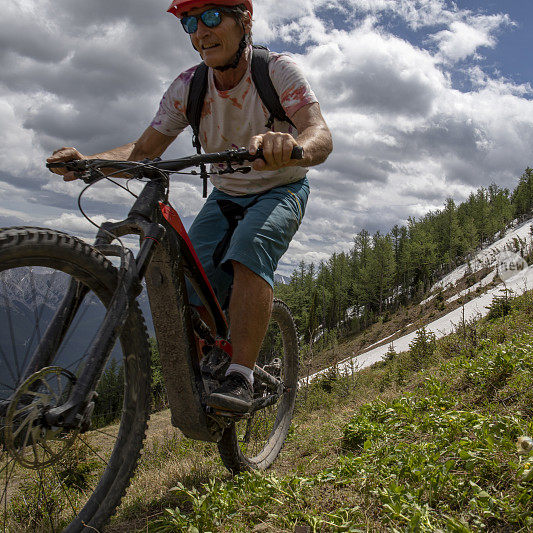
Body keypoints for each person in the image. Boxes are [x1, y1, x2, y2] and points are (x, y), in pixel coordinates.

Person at [47, 0, 332, 413]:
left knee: (250, 249)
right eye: (190, 22)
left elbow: (319, 134)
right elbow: (144, 151)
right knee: (185, 277)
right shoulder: (188, 87)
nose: (201, 31)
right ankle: (207, 362)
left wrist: (292, 147)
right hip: (225, 193)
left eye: (212, 17)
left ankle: (241, 377)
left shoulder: (277, 71)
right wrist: (91, 162)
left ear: (244, 20)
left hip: (280, 188)